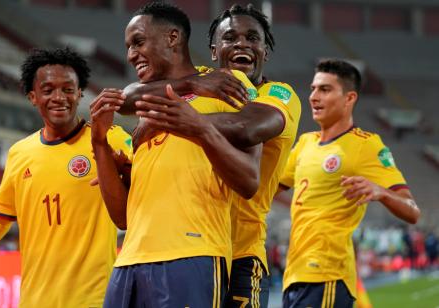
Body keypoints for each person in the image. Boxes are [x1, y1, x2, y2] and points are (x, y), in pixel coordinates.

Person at [0, 47, 132, 308]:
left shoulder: (111, 138)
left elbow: (149, 191)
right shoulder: (19, 153)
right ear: (33, 97)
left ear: (80, 93)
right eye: (48, 90)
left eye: (68, 89)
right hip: (34, 302)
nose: (59, 97)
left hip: (96, 301)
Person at [127, 4, 301, 307]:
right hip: (187, 248)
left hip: (241, 253)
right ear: (213, 50)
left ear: (265, 51)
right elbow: (128, 97)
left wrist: (170, 122)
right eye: (230, 38)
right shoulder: (201, 82)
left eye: (252, 38)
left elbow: (246, 127)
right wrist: (190, 83)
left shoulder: (278, 93)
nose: (242, 44)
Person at [91, 2, 262, 307]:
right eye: (129, 46)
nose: (131, 55)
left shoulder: (228, 87)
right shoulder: (147, 111)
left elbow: (250, 182)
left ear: (172, 38)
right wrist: (100, 145)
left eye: (138, 42)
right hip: (128, 261)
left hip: (191, 255)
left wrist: (198, 128)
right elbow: (122, 219)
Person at [278, 59, 420, 308]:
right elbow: (264, 189)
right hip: (295, 274)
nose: (313, 96)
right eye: (313, 88)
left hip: (328, 276)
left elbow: (412, 211)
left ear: (349, 98)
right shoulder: (305, 142)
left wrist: (382, 192)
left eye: (325, 89)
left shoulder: (366, 145)